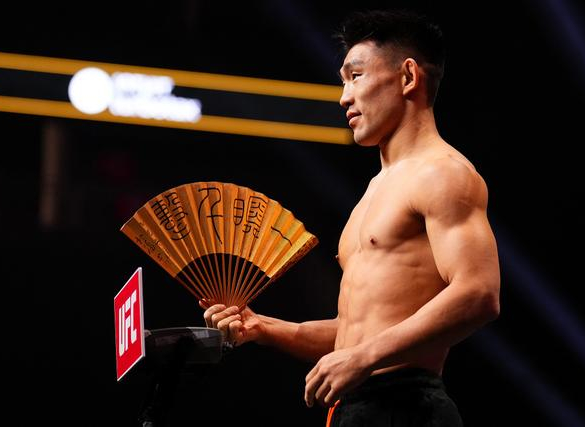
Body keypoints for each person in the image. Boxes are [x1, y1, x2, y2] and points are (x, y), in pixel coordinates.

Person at [201, 9, 500, 426]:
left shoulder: (443, 173)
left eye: (356, 76)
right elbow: (354, 330)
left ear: (408, 77)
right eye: (343, 82)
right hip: (355, 406)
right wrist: (265, 327)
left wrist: (362, 357)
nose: (344, 97)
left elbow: (479, 293)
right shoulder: (375, 191)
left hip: (408, 406)